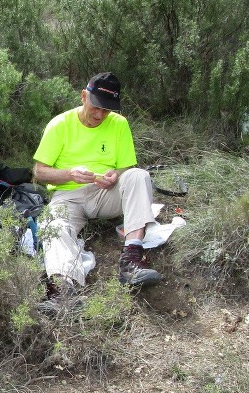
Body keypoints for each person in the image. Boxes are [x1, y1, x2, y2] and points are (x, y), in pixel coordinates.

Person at [33, 72, 160, 310]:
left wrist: (116, 176)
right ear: (83, 96)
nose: (100, 115)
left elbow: (126, 167)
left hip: (105, 194)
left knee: (139, 176)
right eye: (96, 107)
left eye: (107, 110)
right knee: (53, 225)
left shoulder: (119, 124)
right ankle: (63, 290)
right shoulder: (60, 125)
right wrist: (69, 174)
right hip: (68, 195)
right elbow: (39, 172)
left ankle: (131, 261)